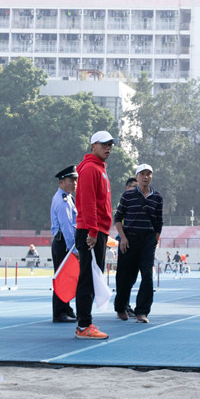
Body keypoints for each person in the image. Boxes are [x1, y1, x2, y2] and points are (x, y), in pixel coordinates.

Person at [73, 130, 115, 340]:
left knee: (91, 277)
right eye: (104, 144)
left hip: (97, 230)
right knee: (88, 279)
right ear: (93, 146)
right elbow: (88, 202)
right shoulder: (90, 168)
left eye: (110, 145)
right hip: (91, 231)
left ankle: (85, 323)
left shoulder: (99, 168)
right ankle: (83, 325)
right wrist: (92, 231)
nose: (108, 148)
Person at [113, 163, 163, 324]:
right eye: (142, 174)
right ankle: (121, 307)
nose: (146, 177)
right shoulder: (127, 196)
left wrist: (155, 239)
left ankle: (142, 312)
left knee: (147, 275)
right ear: (137, 177)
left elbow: (159, 221)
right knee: (124, 277)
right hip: (129, 239)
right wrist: (123, 238)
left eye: (149, 174)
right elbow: (118, 218)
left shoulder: (157, 197)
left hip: (148, 240)